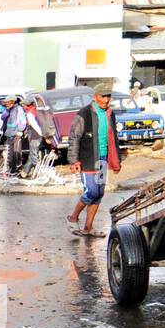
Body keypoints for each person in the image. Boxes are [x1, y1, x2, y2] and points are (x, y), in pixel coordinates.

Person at [65, 81, 121, 235]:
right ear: (95, 97)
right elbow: (74, 138)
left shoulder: (110, 114)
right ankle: (72, 217)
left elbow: (114, 138)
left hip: (103, 158)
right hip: (88, 158)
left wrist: (117, 161)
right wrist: (74, 161)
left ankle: (88, 227)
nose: (106, 100)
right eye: (103, 96)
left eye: (108, 96)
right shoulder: (83, 114)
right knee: (91, 192)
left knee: (100, 193)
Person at [1, 95, 28, 175]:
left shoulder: (18, 109)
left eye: (8, 102)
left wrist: (20, 130)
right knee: (10, 153)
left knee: (17, 152)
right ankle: (11, 169)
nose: (6, 104)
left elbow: (22, 121)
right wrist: (7, 111)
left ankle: (17, 169)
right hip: (9, 134)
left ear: (12, 102)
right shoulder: (8, 110)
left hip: (16, 134)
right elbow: (2, 118)